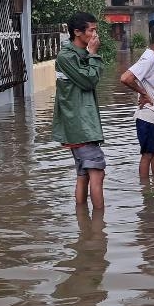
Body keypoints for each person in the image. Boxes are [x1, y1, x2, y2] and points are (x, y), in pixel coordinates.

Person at [52, 12, 107, 209]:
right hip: (80, 127)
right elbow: (88, 81)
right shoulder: (66, 56)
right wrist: (93, 54)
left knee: (83, 174)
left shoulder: (77, 55)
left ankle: (85, 227)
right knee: (97, 173)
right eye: (91, 30)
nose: (95, 35)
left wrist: (90, 55)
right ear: (77, 32)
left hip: (82, 126)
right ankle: (99, 230)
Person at [120, 23, 154, 179]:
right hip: (148, 116)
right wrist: (143, 93)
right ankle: (145, 194)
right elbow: (125, 78)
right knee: (147, 154)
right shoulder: (149, 58)